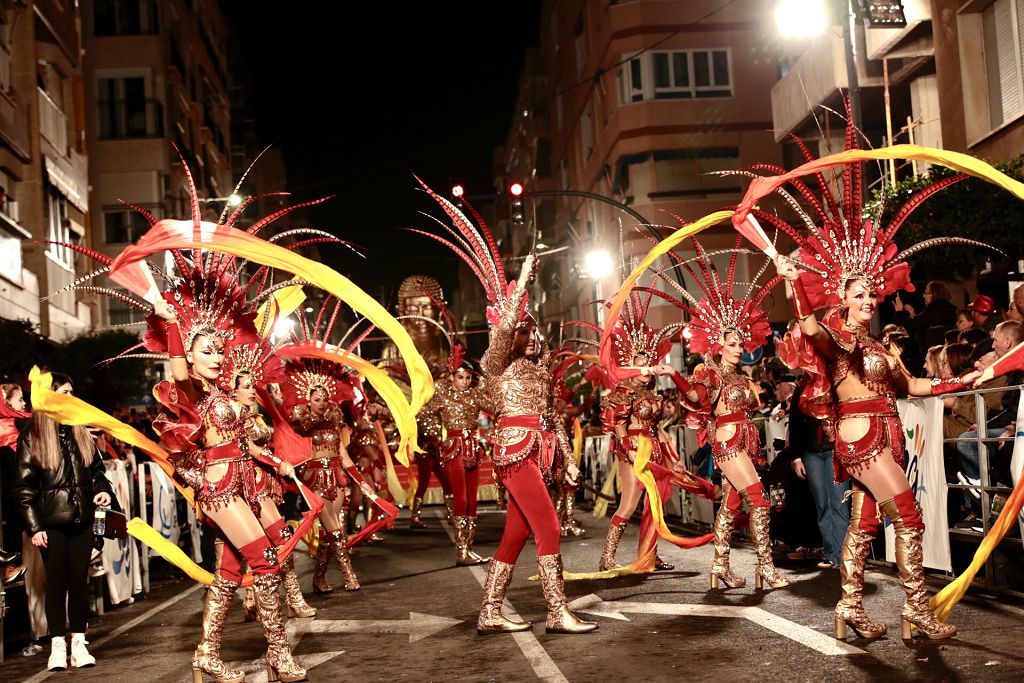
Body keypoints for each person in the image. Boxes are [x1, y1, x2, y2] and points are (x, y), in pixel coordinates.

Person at [413, 184, 595, 634]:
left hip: (542, 451)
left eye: (535, 334)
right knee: (548, 528)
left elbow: (552, 418)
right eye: (524, 333)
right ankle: (556, 612)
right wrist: (524, 280)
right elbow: (506, 329)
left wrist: (569, 462)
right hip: (514, 452)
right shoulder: (496, 363)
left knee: (516, 534)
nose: (531, 339)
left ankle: (490, 610)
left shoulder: (540, 370)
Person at [671, 237, 789, 591]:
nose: (739, 348)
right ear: (717, 345)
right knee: (760, 502)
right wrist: (674, 376)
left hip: (746, 443)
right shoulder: (710, 371)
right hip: (728, 445)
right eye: (732, 343)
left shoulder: (741, 375)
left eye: (741, 342)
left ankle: (720, 565)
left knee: (733, 504)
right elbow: (695, 396)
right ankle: (765, 567)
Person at [13, 373, 113, 671]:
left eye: (72, 392)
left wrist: (103, 491)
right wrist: (34, 526)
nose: (72, 397)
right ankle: (58, 646)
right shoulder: (33, 435)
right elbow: (23, 487)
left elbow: (96, 472)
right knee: (55, 584)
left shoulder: (80, 430)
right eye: (66, 392)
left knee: (79, 583)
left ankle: (79, 643)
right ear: (51, 396)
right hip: (50, 524)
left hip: (83, 519)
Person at [284, 354, 373, 592]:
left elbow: (344, 457)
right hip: (315, 481)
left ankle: (319, 578)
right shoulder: (302, 425)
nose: (322, 402)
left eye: (325, 398)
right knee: (335, 529)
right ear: (308, 400)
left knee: (329, 533)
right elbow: (292, 442)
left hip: (337, 478)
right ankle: (349, 575)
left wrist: (362, 482)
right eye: (317, 399)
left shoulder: (335, 423)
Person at [426, 356, 493, 565]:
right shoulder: (442, 396)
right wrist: (438, 438)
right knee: (461, 499)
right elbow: (424, 414)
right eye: (460, 377)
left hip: (472, 448)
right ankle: (461, 551)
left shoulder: (475, 395)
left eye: (467, 377)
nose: (464, 381)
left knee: (473, 500)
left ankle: (469, 549)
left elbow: (496, 408)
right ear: (452, 377)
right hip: (455, 449)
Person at [785, 377, 849, 570]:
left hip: (835, 450)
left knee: (839, 503)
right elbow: (794, 421)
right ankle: (831, 554)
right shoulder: (802, 386)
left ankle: (845, 556)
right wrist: (795, 456)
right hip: (810, 452)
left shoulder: (836, 379)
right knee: (822, 504)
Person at [892, 282, 958, 346]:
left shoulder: (933, 308)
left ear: (932, 294)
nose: (924, 296)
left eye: (925, 293)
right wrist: (914, 316)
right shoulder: (949, 309)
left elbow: (915, 325)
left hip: (933, 350)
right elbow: (922, 323)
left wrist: (899, 312)